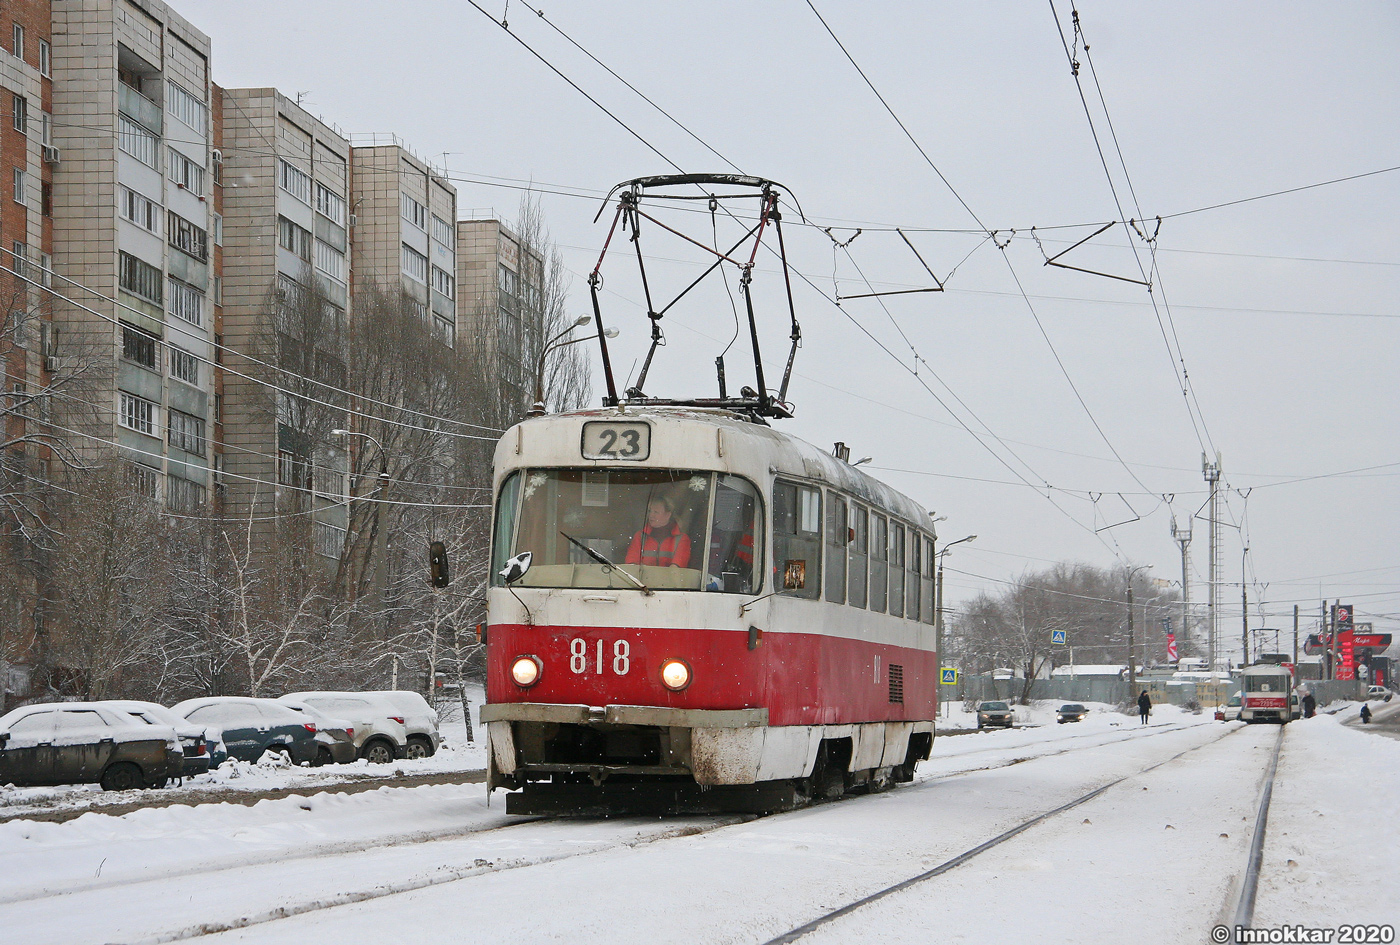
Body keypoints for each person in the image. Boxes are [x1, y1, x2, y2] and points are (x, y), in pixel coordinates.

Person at [625, 496, 692, 568]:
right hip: (641, 579)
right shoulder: (640, 536)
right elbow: (631, 565)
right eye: (649, 511)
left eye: (656, 512)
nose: (651, 515)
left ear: (667, 515)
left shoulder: (681, 539)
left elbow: (676, 569)